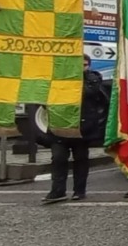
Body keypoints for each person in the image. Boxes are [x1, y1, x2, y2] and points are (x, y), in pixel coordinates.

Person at [43, 56, 108, 203]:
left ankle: (79, 190)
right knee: (58, 158)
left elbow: (87, 93)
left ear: (89, 66)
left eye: (84, 65)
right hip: (60, 127)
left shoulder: (93, 78)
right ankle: (57, 191)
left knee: (80, 159)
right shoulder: (59, 78)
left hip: (82, 128)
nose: (81, 68)